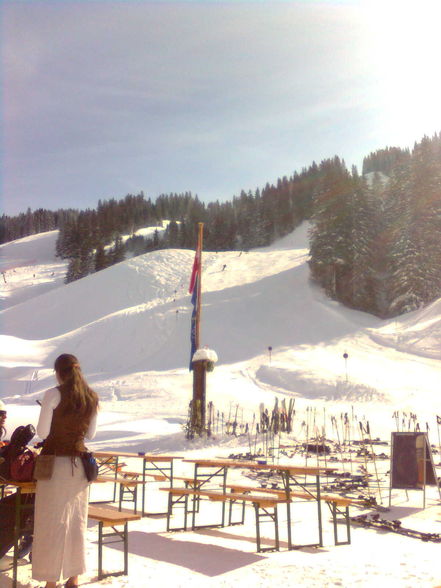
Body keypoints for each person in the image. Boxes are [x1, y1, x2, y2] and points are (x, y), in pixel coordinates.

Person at [32, 354, 99, 588]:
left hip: (55, 466)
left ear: (58, 372)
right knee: (76, 521)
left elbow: (42, 432)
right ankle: (74, 576)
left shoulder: (53, 394)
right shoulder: (91, 397)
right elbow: (90, 435)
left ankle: (51, 580)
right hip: (80, 467)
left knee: (51, 522)